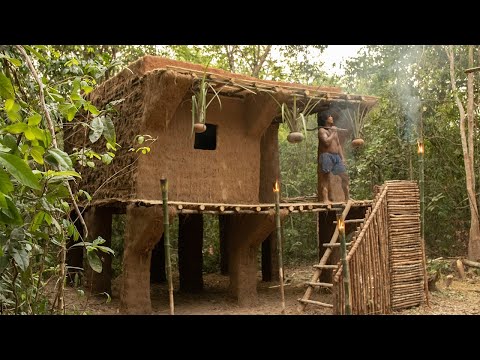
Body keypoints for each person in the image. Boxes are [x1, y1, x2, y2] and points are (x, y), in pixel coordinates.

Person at [318, 114, 349, 202]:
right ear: (325, 119)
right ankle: (325, 199)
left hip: (336, 157)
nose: (332, 118)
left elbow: (338, 145)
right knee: (325, 177)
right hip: (326, 155)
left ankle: (347, 198)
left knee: (344, 176)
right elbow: (326, 142)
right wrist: (334, 132)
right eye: (330, 116)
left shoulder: (333, 131)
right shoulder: (322, 130)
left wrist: (342, 158)